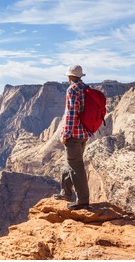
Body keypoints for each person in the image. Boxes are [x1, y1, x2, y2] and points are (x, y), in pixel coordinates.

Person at [53, 65, 90, 210]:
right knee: (71, 163)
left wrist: (65, 134)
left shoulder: (72, 89)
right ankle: (66, 192)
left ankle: (83, 200)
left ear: (69, 77)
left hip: (74, 135)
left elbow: (71, 113)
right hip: (84, 134)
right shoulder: (85, 88)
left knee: (76, 167)